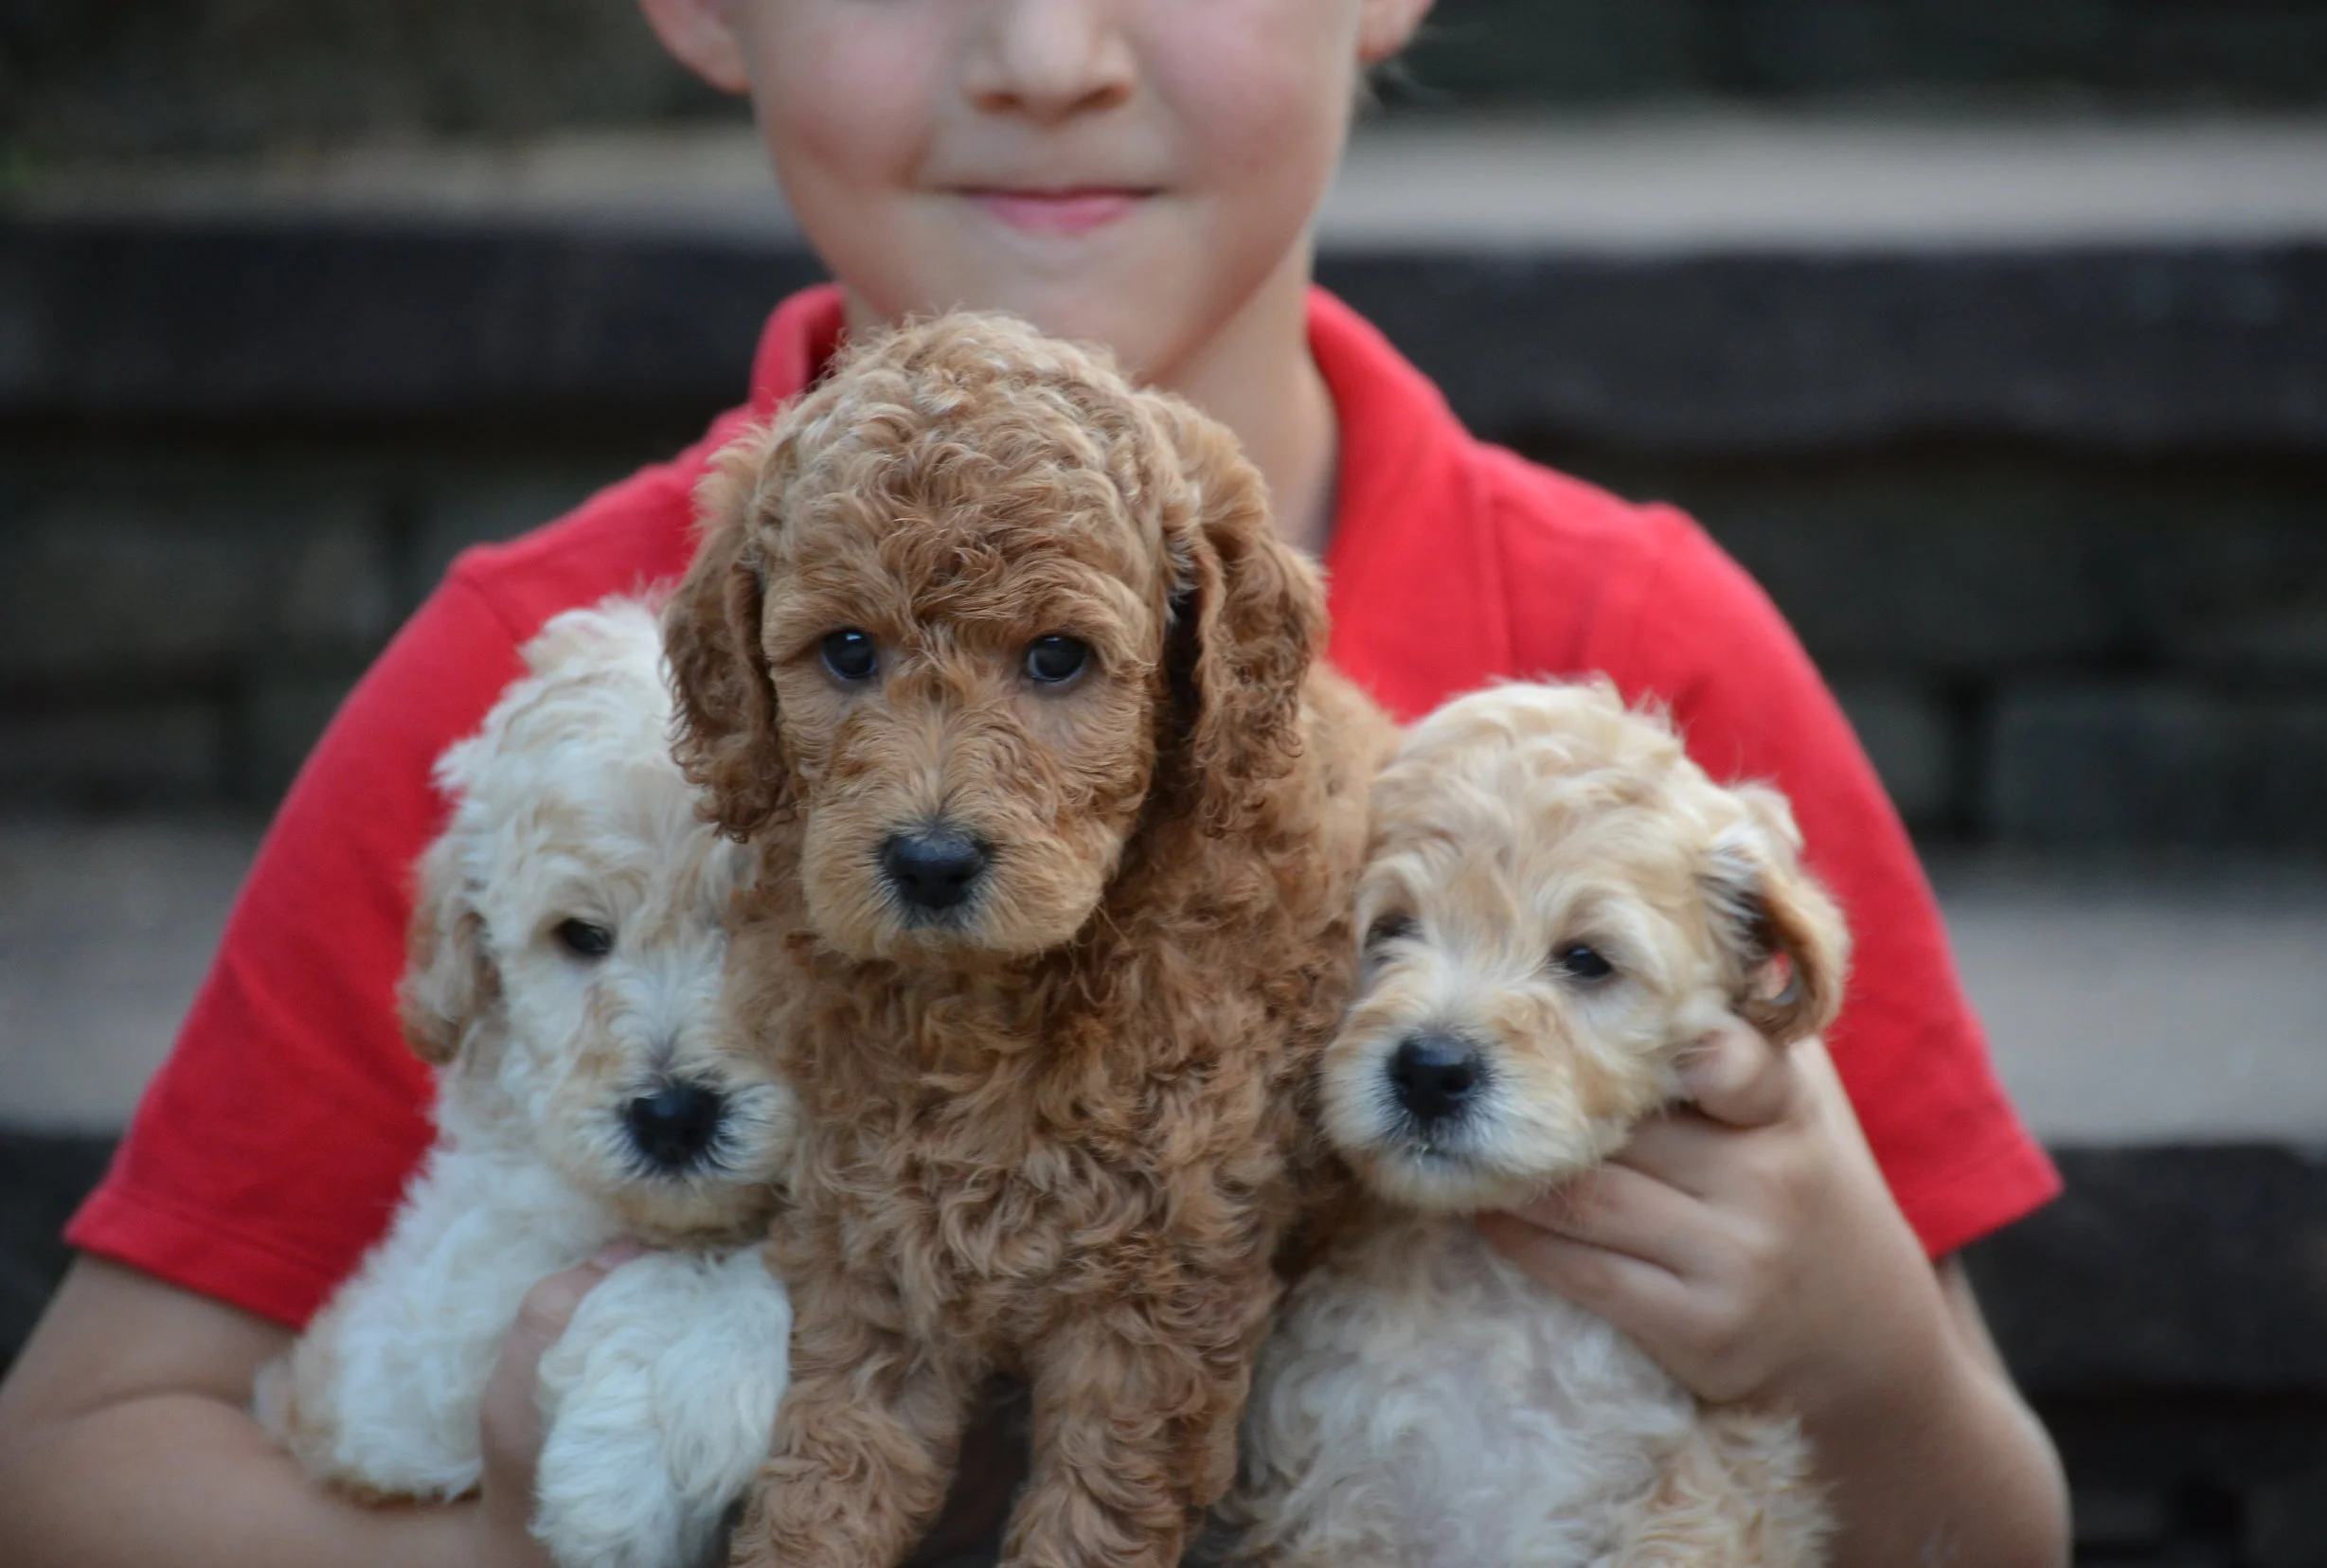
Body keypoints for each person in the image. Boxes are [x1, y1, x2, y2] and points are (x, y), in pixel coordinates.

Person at [0, 3, 2072, 1564]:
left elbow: (1999, 1526)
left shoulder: (1638, 659)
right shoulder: (556, 694)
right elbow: (74, 1458)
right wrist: (515, 1535)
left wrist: (1855, 1349)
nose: (1045, 54)